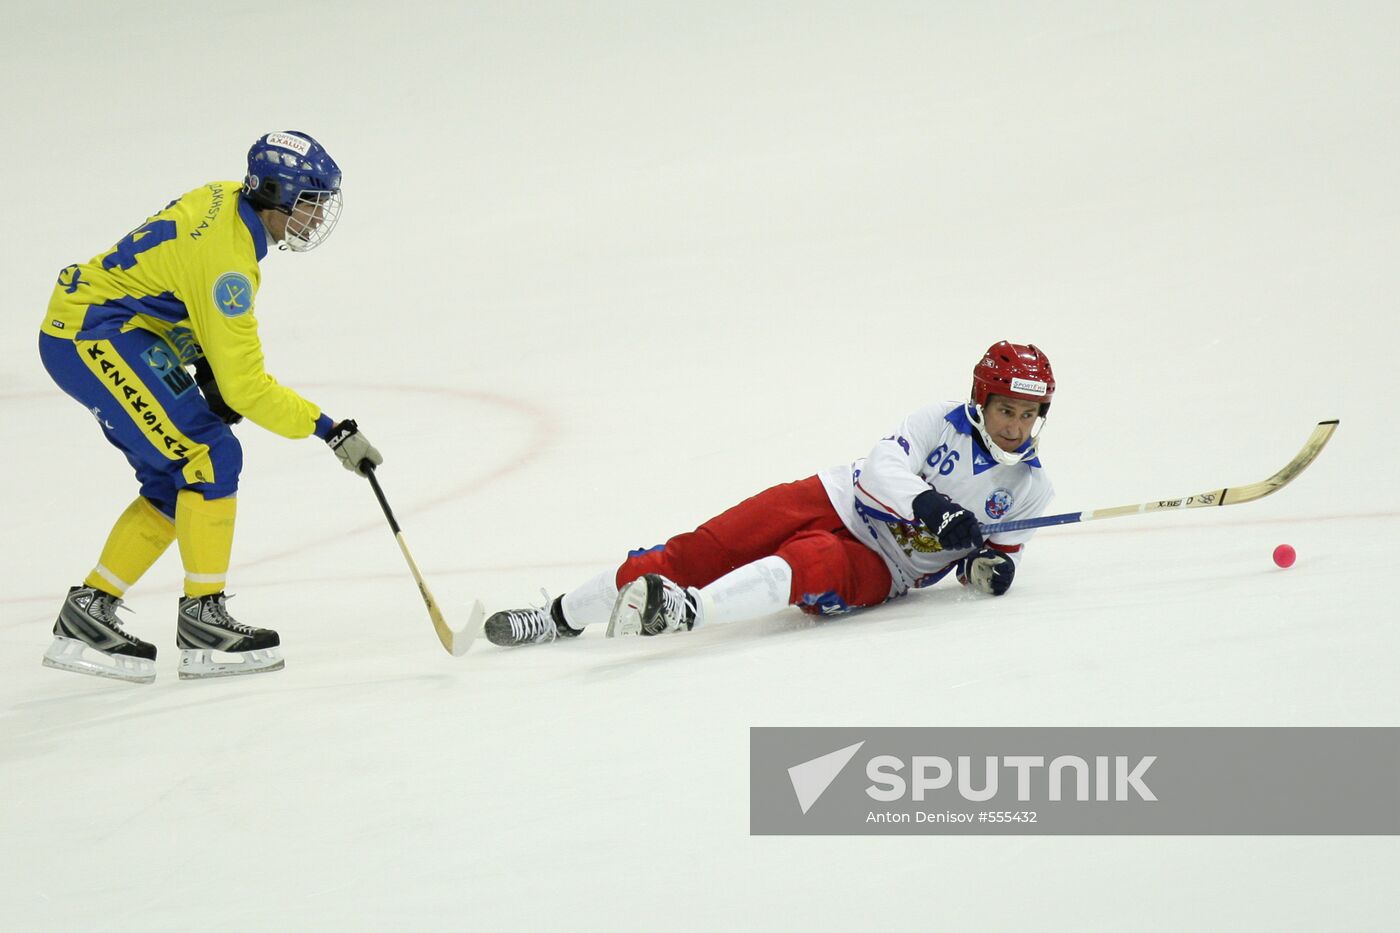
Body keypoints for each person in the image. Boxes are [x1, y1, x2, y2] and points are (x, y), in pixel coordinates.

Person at [39, 131, 382, 684]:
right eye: (310, 201)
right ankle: (203, 618)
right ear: (274, 193)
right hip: (96, 335)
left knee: (178, 477)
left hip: (118, 330)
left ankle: (90, 612)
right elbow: (247, 386)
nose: (317, 217)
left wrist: (202, 361)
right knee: (210, 456)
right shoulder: (230, 266)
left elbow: (172, 277)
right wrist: (329, 430)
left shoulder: (225, 197)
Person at [484, 341, 1056, 646]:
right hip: (832, 497)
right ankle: (558, 615)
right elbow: (882, 467)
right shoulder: (938, 418)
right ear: (982, 402)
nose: (1014, 425)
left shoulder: (1031, 487)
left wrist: (987, 571)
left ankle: (688, 612)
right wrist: (931, 506)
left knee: (810, 562)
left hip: (885, 564)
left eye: (1028, 414)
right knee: (697, 551)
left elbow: (992, 564)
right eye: (1006, 409)